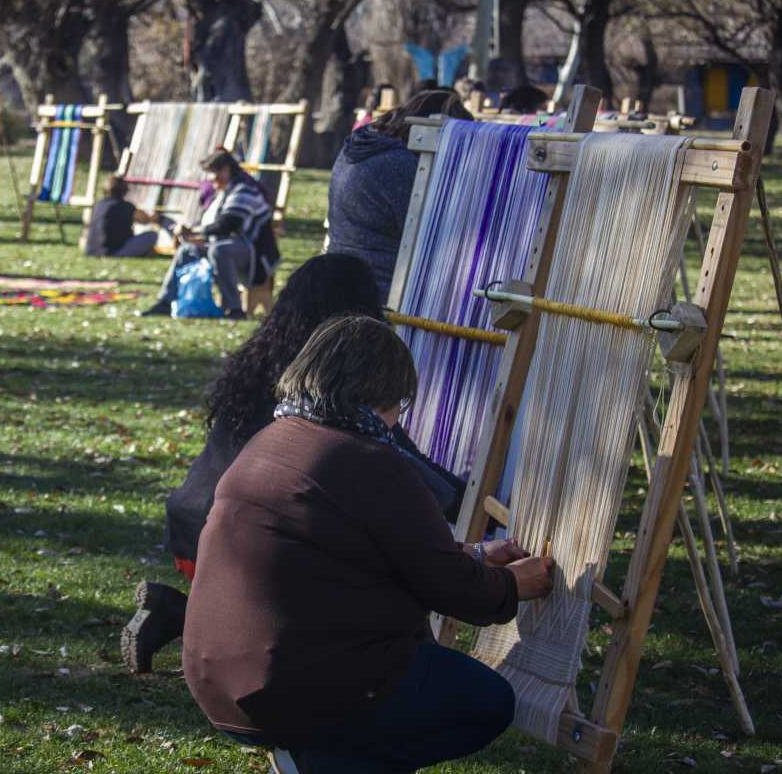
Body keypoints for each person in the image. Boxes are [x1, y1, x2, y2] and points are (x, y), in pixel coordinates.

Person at [183, 315, 554, 774]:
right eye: (400, 402)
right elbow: (455, 591)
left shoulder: (272, 440)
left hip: (219, 678)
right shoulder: (368, 462)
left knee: (418, 676)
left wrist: (475, 555)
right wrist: (513, 584)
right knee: (484, 701)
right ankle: (325, 759)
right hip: (287, 686)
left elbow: (359, 553)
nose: (400, 416)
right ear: (379, 393)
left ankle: (324, 753)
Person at [122, 255, 467, 674]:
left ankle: (175, 611)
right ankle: (422, 667)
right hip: (239, 550)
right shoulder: (334, 388)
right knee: (354, 574)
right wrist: (470, 501)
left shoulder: (260, 364)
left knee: (272, 591)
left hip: (195, 534)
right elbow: (403, 462)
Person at [326, 90, 473, 302]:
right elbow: (432, 239)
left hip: (340, 277)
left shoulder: (360, 147)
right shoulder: (399, 165)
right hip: (380, 292)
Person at [141, 150, 271, 320]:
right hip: (229, 244)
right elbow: (213, 227)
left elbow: (227, 224)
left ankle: (235, 309)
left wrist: (192, 231)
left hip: (256, 252)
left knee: (219, 251)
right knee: (187, 250)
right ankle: (165, 302)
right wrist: (192, 236)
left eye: (213, 173)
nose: (210, 178)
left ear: (225, 170)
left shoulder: (244, 190)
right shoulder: (225, 191)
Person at [80, 175, 168, 257]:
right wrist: (156, 217)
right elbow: (145, 220)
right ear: (124, 191)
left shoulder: (98, 205)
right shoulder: (126, 206)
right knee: (152, 235)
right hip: (113, 252)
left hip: (92, 251)